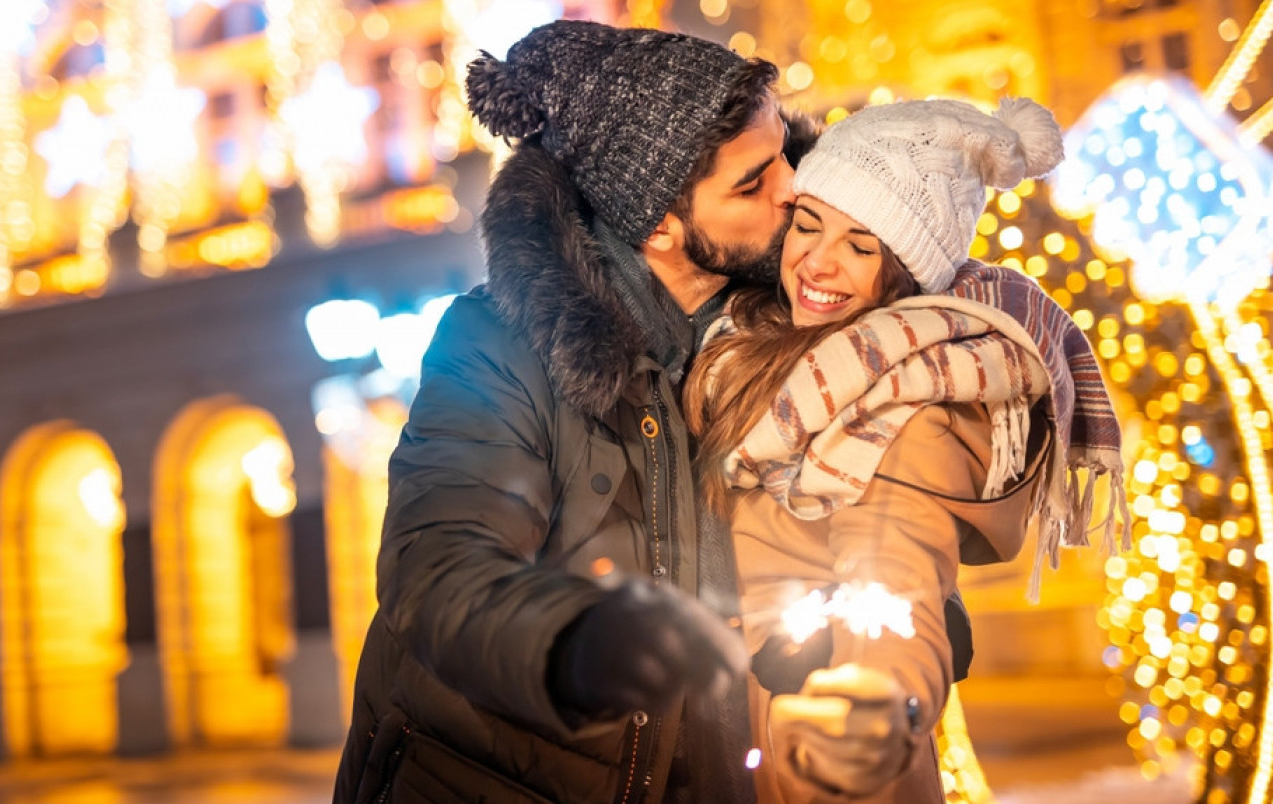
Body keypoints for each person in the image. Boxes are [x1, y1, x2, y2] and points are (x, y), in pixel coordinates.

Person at [332, 20, 816, 804]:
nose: (791, 188)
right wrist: (575, 644)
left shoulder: (778, 332)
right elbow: (438, 572)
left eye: (783, 158)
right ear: (659, 226)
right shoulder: (496, 346)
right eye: (751, 181)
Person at [685, 97, 1130, 803]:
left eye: (861, 248)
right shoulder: (759, 353)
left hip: (815, 764)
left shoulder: (909, 408)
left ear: (906, 276)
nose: (817, 263)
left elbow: (899, 584)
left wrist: (878, 702)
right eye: (807, 225)